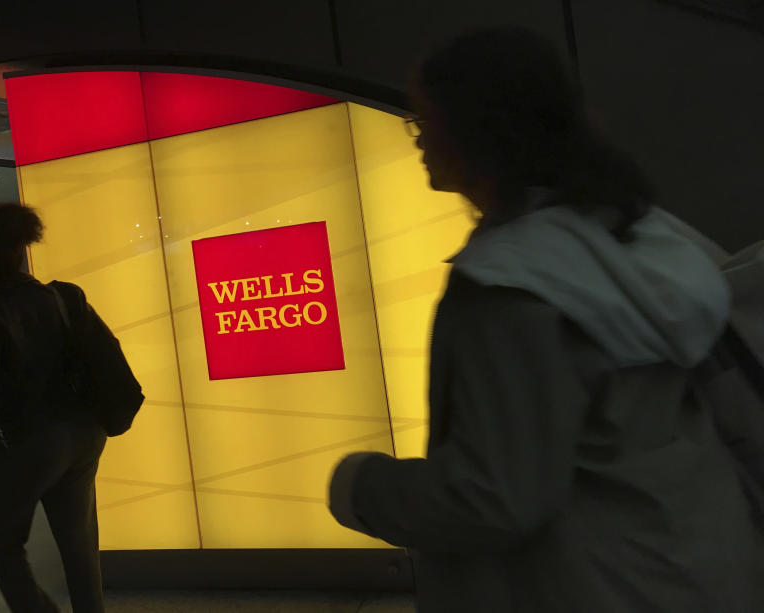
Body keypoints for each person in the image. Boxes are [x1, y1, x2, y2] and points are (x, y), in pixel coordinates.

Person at [327, 27, 764, 612]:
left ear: (476, 128)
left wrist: (360, 486)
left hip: (594, 584)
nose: (418, 140)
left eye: (423, 120)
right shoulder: (639, 235)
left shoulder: (508, 289)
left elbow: (495, 497)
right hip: (700, 561)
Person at [0, 201, 107, 613]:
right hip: (84, 434)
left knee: (2, 543)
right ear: (23, 247)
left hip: (31, 442)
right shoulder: (59, 297)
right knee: (79, 546)